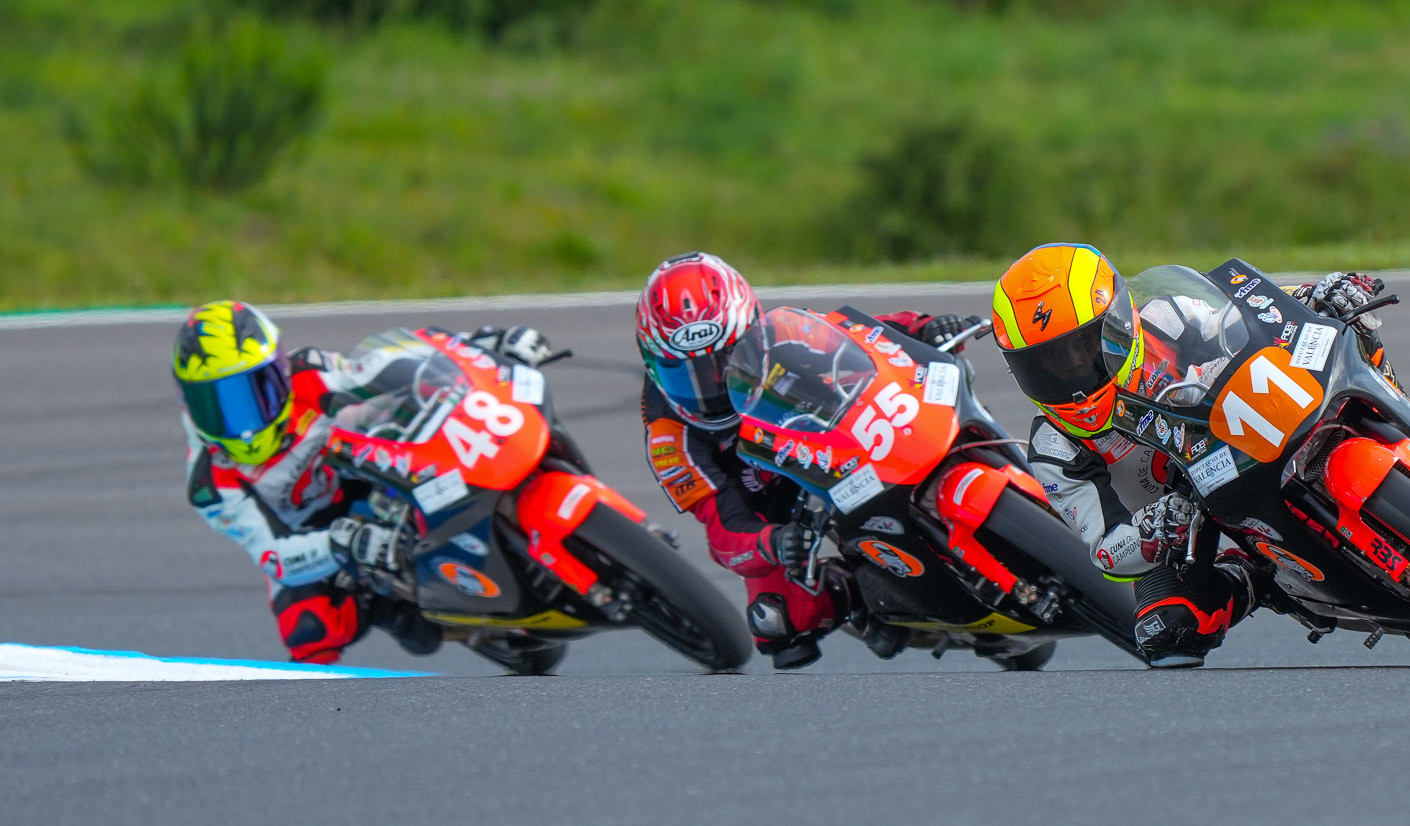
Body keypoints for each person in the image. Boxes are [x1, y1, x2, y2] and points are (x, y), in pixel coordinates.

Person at [989, 243, 1387, 667]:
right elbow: (1106, 550)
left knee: (1350, 324)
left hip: (1243, 426)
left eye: (1086, 345)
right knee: (1167, 631)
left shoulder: (1166, 317)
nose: (1072, 372)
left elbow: (1251, 312)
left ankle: (1408, 419)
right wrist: (1153, 530)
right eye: (1047, 365)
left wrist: (1313, 294)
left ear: (1120, 318)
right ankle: (1260, 579)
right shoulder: (1054, 448)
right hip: (1183, 519)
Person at [636, 251, 975, 669]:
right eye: (685, 373)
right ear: (653, 366)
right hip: (777, 506)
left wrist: (923, 327)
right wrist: (772, 543)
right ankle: (864, 598)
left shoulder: (782, 332)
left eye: (724, 362)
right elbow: (721, 527)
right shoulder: (670, 437)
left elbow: (859, 333)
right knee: (779, 623)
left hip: (835, 439)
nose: (712, 384)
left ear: (750, 328)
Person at [174, 300, 554, 664]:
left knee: (419, 412)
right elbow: (274, 556)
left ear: (280, 371)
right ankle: (389, 606)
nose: (240, 424)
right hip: (309, 537)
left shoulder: (311, 375)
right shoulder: (209, 483)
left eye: (252, 393)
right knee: (311, 632)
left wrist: (483, 343)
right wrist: (343, 543)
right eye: (215, 405)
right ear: (189, 402)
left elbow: (391, 363)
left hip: (362, 479)